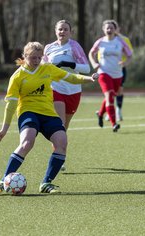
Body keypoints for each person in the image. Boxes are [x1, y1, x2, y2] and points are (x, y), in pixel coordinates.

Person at [0, 42, 97, 195]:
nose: (36, 61)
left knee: (62, 141)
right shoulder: (17, 76)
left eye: (39, 58)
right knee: (27, 142)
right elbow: (11, 104)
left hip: (48, 113)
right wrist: (4, 129)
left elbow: (71, 77)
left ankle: (46, 183)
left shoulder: (47, 68)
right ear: (25, 56)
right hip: (28, 113)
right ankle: (3, 182)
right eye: (33, 58)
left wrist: (89, 79)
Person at [42, 20, 91, 171]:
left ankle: (60, 152)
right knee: (60, 125)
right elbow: (42, 66)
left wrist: (70, 65)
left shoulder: (74, 47)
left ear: (70, 32)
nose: (62, 32)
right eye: (60, 29)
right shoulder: (49, 48)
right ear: (55, 31)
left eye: (65, 29)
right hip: (55, 88)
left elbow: (87, 68)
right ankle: (58, 158)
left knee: (65, 127)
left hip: (74, 90)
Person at [88, 20, 132, 132]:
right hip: (103, 73)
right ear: (103, 30)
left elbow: (130, 55)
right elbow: (91, 53)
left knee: (111, 96)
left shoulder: (120, 41)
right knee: (109, 96)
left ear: (115, 29)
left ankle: (100, 114)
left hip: (117, 74)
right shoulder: (100, 42)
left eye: (111, 28)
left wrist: (125, 63)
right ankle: (114, 124)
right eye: (107, 28)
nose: (109, 30)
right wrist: (94, 64)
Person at [104, 26, 133, 121]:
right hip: (107, 70)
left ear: (117, 29)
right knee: (109, 91)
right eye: (108, 28)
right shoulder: (103, 41)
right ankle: (109, 112)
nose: (111, 30)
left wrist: (124, 62)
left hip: (120, 69)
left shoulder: (123, 40)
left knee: (119, 91)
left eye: (113, 27)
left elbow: (129, 52)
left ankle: (118, 110)